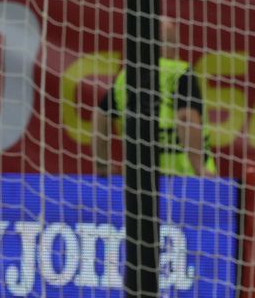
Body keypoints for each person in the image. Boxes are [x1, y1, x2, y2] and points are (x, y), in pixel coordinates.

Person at [92, 17, 217, 178]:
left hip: (140, 178)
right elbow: (186, 118)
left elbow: (100, 116)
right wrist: (199, 167)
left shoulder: (126, 76)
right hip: (184, 179)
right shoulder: (180, 72)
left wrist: (101, 164)